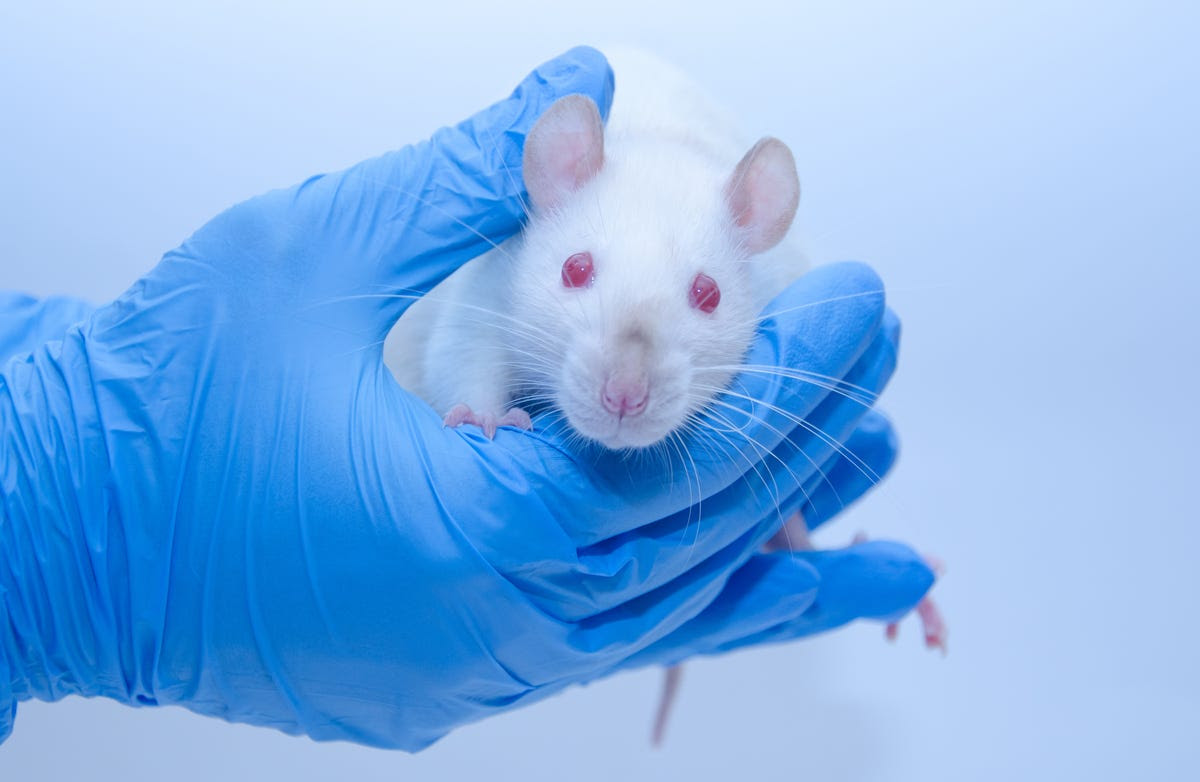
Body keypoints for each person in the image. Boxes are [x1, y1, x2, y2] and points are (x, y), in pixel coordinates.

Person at [0, 47, 932, 750]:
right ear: (551, 190)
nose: (627, 386)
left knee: (762, 488)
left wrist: (786, 505)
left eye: (702, 297)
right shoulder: (516, 244)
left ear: (755, 224)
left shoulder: (761, 265)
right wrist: (474, 404)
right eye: (575, 270)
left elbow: (787, 379)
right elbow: (467, 332)